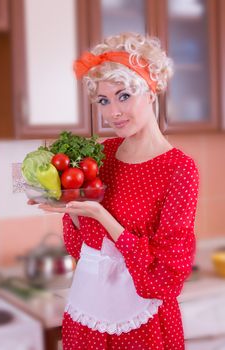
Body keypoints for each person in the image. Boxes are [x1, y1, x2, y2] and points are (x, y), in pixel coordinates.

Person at [38, 32, 199, 350]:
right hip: (87, 320)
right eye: (103, 100)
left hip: (145, 327)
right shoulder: (104, 154)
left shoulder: (179, 168)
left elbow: (165, 278)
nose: (113, 112)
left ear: (150, 91)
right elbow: (81, 249)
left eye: (124, 96)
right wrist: (71, 210)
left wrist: (102, 215)